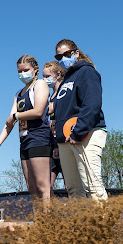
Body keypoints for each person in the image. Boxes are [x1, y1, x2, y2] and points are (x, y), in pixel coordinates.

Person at [0, 55, 53, 203]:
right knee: (32, 188)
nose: (22, 74)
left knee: (43, 186)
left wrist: (16, 115)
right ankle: (39, 222)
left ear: (35, 70)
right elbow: (9, 121)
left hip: (39, 137)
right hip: (24, 140)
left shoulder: (40, 85)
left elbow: (38, 111)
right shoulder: (18, 94)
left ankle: (49, 224)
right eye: (20, 71)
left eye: (26, 70)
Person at [52, 40, 108, 200]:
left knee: (92, 186)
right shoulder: (65, 80)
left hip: (86, 134)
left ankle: (103, 224)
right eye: (59, 56)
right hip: (65, 140)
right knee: (74, 191)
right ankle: (81, 225)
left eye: (67, 54)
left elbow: (92, 104)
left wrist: (78, 132)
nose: (63, 58)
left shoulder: (86, 72)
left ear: (76, 53)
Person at [43, 61, 66, 189]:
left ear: (58, 75)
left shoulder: (64, 92)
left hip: (64, 142)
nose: (44, 80)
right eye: (43, 76)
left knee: (69, 183)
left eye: (47, 76)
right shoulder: (49, 95)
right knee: (47, 185)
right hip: (50, 145)